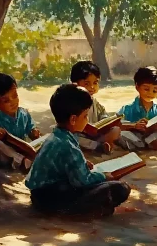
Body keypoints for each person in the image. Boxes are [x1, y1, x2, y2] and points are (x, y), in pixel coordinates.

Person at [25, 84, 131, 217]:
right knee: (120, 188)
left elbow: (64, 165)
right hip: (51, 198)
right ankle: (77, 211)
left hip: (41, 194)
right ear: (73, 119)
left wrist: (83, 164)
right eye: (85, 116)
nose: (87, 120)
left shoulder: (58, 136)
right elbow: (82, 181)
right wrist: (104, 176)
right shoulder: (66, 144)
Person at [0, 73, 41, 171]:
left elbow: (31, 129)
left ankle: (27, 160)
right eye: (6, 101)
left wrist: (34, 132)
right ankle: (21, 161)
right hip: (8, 155)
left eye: (15, 96)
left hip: (23, 148)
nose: (13, 102)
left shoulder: (24, 113)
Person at [117, 66, 157, 150]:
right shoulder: (128, 108)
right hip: (134, 136)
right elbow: (117, 124)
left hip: (151, 136)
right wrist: (134, 125)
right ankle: (142, 144)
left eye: (154, 91)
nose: (150, 93)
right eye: (146, 89)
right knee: (120, 134)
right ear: (137, 86)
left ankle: (150, 142)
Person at [70, 61, 120, 151]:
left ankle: (101, 143)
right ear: (75, 84)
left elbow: (102, 114)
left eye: (95, 83)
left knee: (115, 130)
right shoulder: (73, 102)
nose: (92, 87)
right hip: (80, 134)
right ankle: (98, 146)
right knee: (74, 138)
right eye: (87, 84)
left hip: (96, 134)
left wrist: (106, 122)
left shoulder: (94, 101)